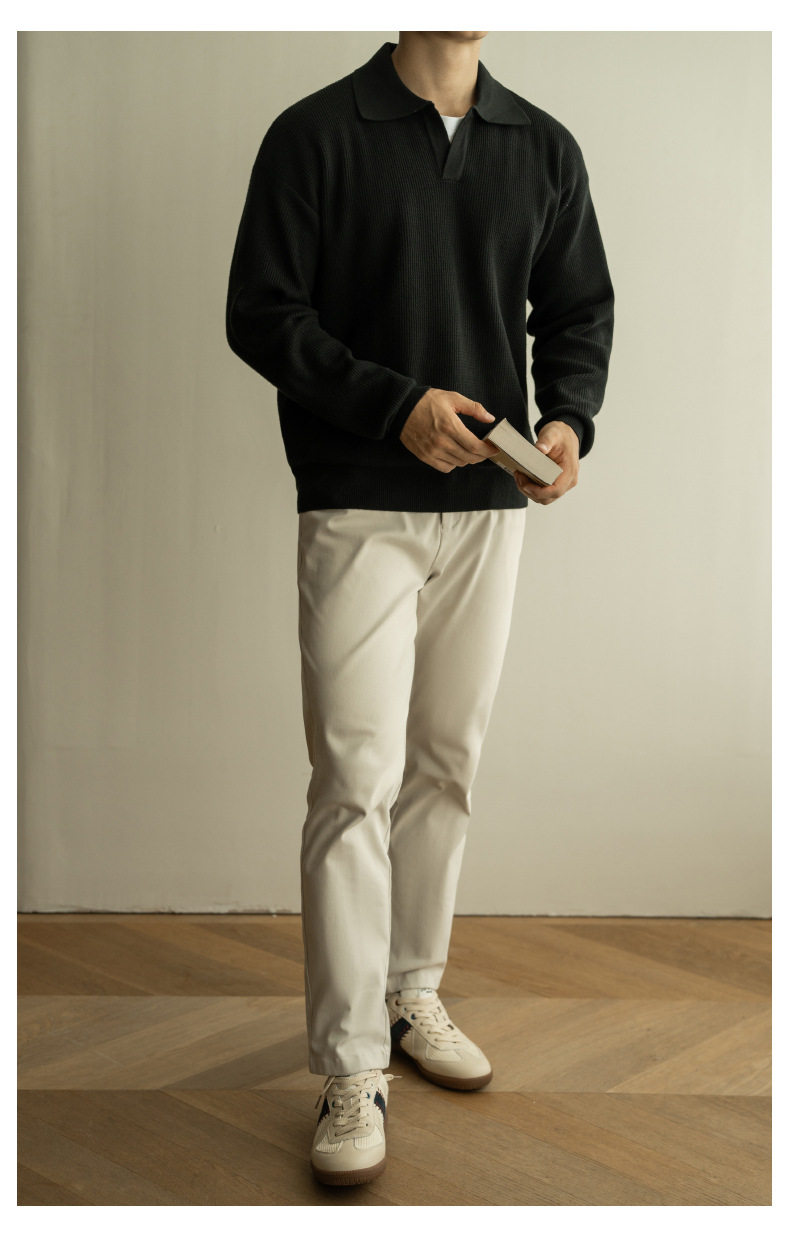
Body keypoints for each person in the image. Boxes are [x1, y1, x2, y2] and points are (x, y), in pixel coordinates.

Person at [226, 30, 614, 1187]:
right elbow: (262, 313)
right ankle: (350, 1065)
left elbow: (577, 310)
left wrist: (566, 419)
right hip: (356, 501)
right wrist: (393, 407)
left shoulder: (542, 147)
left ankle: (411, 992)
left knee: (447, 761)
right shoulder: (313, 135)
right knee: (355, 777)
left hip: (492, 508)